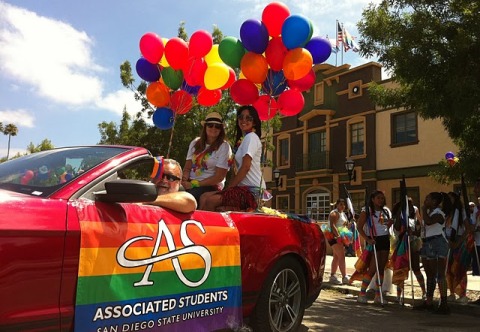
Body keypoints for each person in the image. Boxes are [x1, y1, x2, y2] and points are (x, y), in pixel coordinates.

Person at [200, 105, 265, 211]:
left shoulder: (251, 137)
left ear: (254, 122)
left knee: (210, 200)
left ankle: (206, 226)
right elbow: (236, 170)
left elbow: (245, 167)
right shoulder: (243, 140)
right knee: (204, 197)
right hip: (241, 189)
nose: (244, 120)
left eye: (248, 118)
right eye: (241, 117)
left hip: (252, 191)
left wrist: (229, 189)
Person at [181, 112, 232, 206]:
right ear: (205, 127)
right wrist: (183, 180)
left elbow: (219, 177)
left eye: (217, 126)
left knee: (188, 198)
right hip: (190, 183)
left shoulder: (224, 146)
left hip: (210, 186)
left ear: (221, 129)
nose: (213, 128)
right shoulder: (195, 142)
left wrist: (193, 184)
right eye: (210, 125)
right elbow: (187, 168)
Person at [414, 192, 452, 314]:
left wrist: (424, 209)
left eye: (428, 199)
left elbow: (429, 222)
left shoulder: (439, 213)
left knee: (439, 274)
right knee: (429, 274)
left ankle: (444, 303)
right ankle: (429, 301)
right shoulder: (429, 213)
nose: (425, 200)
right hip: (427, 243)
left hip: (438, 243)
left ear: (434, 202)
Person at [354, 190, 393, 304]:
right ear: (372, 199)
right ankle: (361, 293)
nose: (380, 200)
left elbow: (384, 225)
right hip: (373, 240)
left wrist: (389, 224)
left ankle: (378, 295)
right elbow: (359, 227)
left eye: (382, 198)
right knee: (372, 268)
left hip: (385, 239)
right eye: (378, 198)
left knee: (381, 268)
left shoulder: (385, 211)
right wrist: (367, 239)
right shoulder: (366, 211)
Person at [390, 198, 426, 304]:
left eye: (411, 206)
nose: (411, 208)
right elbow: (396, 228)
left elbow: (419, 227)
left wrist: (414, 232)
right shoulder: (399, 214)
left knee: (416, 268)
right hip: (401, 245)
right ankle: (398, 296)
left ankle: (424, 291)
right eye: (408, 206)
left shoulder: (415, 211)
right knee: (401, 269)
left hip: (413, 243)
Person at [445, 191, 470, 304]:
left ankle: (462, 294)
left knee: (459, 268)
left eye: (450, 199)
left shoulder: (461, 212)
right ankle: (451, 292)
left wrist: (458, 242)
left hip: (459, 242)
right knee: (449, 269)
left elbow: (467, 229)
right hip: (448, 242)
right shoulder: (447, 213)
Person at [327, 199, 352, 285]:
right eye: (341, 204)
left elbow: (344, 225)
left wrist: (350, 224)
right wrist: (337, 236)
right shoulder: (334, 213)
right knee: (342, 256)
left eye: (344, 205)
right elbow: (332, 225)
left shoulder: (343, 214)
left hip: (340, 236)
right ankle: (344, 277)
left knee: (336, 257)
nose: (343, 206)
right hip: (333, 236)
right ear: (337, 205)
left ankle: (332, 276)